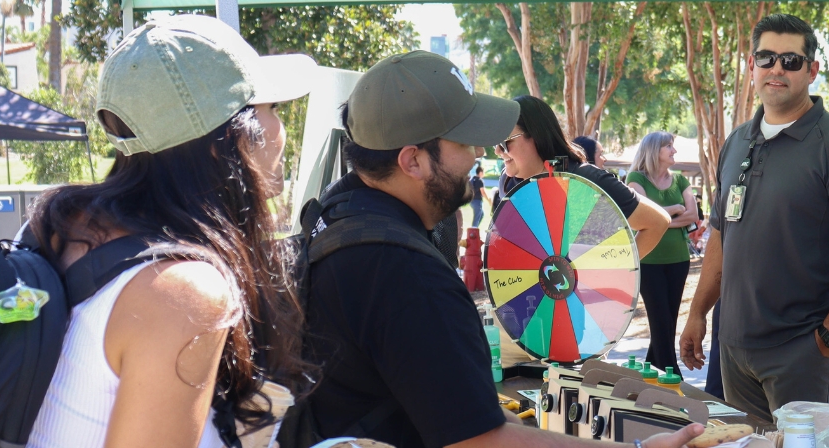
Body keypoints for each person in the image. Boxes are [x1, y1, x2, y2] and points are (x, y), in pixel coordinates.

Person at [299, 51, 699, 448]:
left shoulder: (336, 212)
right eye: (464, 140)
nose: (480, 154)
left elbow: (457, 411)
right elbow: (481, 441)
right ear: (413, 161)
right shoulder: (407, 274)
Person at [24, 14, 314, 446]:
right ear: (229, 139)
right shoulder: (183, 292)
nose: (279, 130)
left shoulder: (63, 234)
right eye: (270, 109)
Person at [679, 13, 829, 423]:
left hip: (803, 353)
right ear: (752, 67)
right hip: (734, 351)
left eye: (791, 61)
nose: (777, 68)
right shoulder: (737, 141)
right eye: (766, 58)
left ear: (812, 70)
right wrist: (697, 313)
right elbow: (721, 234)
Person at [498, 96, 671, 256]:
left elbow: (658, 221)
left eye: (505, 141)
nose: (498, 150)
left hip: (585, 289)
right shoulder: (507, 184)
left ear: (536, 136)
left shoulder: (587, 179)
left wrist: (617, 271)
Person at [625, 131, 698, 374]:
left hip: (679, 260)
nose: (674, 151)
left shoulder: (680, 181)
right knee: (660, 320)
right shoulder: (636, 179)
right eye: (668, 146)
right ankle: (673, 376)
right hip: (648, 260)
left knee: (668, 321)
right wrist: (675, 210)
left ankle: (648, 373)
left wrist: (662, 219)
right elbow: (642, 218)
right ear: (654, 150)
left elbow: (693, 216)